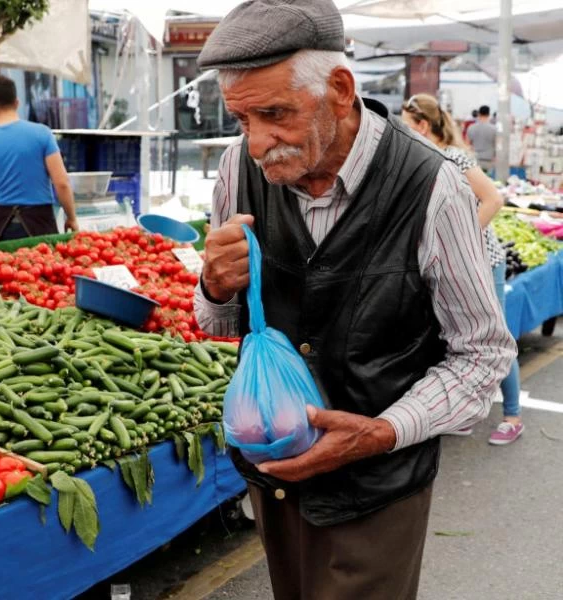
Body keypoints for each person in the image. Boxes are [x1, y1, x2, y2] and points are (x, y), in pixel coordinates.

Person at [194, 1, 516, 598]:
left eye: (274, 114)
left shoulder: (433, 186)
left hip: (378, 491)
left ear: (340, 89)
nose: (258, 142)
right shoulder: (237, 169)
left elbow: (483, 353)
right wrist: (214, 283)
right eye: (242, 119)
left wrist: (382, 431)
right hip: (275, 475)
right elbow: (218, 322)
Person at [402, 94, 523, 445]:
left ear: (423, 126)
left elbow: (494, 199)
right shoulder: (422, 161)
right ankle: (466, 411)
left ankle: (513, 415)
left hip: (485, 263)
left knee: (492, 337)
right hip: (452, 266)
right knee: (455, 336)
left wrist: (461, 241)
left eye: (408, 127)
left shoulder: (453, 157)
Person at [0, 75, 79, 241]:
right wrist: (71, 217)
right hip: (41, 225)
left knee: (8, 266)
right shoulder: (42, 134)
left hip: (3, 228)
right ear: (17, 102)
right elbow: (62, 183)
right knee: (45, 266)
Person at [468, 105, 497, 174]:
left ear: (479, 114)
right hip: (489, 159)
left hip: (475, 160)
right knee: (488, 180)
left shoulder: (471, 127)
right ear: (489, 114)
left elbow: (467, 144)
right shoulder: (494, 129)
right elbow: (496, 144)